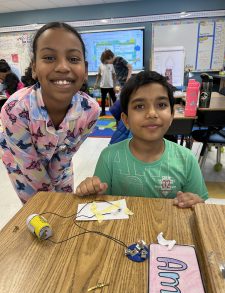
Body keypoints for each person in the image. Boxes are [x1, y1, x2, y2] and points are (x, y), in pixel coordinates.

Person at [76, 71, 208, 208]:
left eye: (161, 105)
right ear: (126, 120)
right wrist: (90, 189)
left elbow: (199, 205)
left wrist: (195, 201)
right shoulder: (109, 157)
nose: (152, 113)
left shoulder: (186, 159)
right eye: (139, 106)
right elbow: (99, 201)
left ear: (171, 115)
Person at [0, 22, 100, 203]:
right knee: (40, 209)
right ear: (35, 68)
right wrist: (51, 200)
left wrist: (60, 196)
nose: (63, 67)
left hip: (60, 164)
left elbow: (65, 155)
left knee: (66, 204)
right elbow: (30, 167)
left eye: (73, 59)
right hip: (22, 166)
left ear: (85, 69)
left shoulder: (90, 110)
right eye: (49, 58)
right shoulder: (14, 109)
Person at [94, 51, 117, 116]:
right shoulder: (100, 66)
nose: (105, 62)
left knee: (114, 99)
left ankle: (116, 110)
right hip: (103, 86)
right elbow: (98, 75)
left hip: (110, 86)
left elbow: (114, 75)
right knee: (103, 99)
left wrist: (115, 85)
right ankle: (103, 111)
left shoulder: (111, 65)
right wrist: (96, 83)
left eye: (106, 60)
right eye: (103, 60)